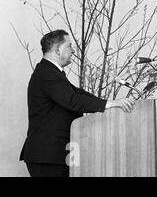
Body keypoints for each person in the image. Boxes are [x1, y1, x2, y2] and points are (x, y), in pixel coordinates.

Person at [19, 30, 135, 177]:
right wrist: (109, 104)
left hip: (53, 156)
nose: (73, 50)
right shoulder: (47, 73)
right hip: (47, 156)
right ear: (58, 49)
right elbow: (72, 101)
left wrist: (109, 103)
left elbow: (76, 94)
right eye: (69, 46)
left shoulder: (51, 72)